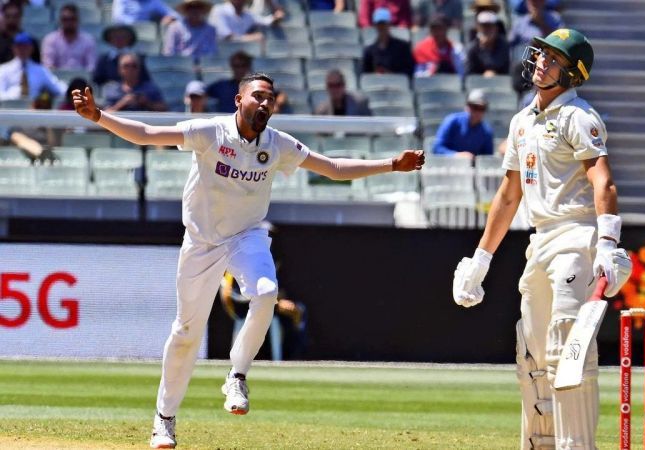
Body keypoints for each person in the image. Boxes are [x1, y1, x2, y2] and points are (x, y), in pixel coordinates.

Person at [71, 71, 425, 449]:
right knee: (185, 334)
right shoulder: (211, 132)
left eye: (270, 98)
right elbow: (147, 134)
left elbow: (332, 168)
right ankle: (164, 420)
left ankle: (236, 375)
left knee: (267, 293)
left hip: (246, 236)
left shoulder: (278, 144)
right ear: (238, 100)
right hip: (202, 241)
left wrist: (391, 164)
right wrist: (99, 117)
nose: (265, 103)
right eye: (257, 96)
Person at [450, 29, 631, 449]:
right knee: (530, 352)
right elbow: (509, 194)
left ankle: (576, 446)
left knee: (566, 345)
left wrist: (607, 243)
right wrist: (481, 260)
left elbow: (603, 182)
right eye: (541, 54)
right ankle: (539, 444)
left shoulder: (579, 117)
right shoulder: (521, 121)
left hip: (577, 235)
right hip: (541, 239)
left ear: (571, 74)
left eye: (553, 58)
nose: (541, 62)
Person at [0, 32, 66, 102]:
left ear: (31, 48)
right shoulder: (4, 69)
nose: (22, 50)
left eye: (25, 46)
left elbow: (57, 88)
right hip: (8, 109)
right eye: (19, 46)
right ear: (13, 48)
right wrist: (14, 96)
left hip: (32, 109)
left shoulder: (40, 70)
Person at [433, 89, 493, 159]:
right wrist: (456, 155)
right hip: (448, 166)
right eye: (475, 107)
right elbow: (437, 148)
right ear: (467, 106)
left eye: (482, 108)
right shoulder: (452, 121)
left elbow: (487, 158)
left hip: (472, 168)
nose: (478, 112)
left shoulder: (486, 131)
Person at [103, 52, 167, 112]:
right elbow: (106, 114)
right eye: (126, 66)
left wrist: (147, 103)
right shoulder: (112, 90)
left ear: (139, 69)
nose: (130, 70)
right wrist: (122, 103)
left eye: (134, 66)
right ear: (119, 69)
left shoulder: (150, 89)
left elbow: (164, 109)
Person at [41, 4, 97, 71]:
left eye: (72, 19)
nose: (69, 22)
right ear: (60, 20)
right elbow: (48, 66)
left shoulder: (88, 40)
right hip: (56, 80)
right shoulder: (50, 40)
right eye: (65, 19)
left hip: (81, 79)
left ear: (78, 20)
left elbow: (91, 66)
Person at [361, 8, 414, 78]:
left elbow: (410, 70)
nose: (381, 27)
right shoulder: (369, 51)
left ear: (389, 24)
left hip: (398, 85)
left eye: (384, 24)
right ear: (375, 26)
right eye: (379, 24)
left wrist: (391, 74)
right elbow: (366, 74)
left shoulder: (403, 47)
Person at [465, 11, 510, 76]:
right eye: (483, 26)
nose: (486, 30)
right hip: (477, 85)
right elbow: (469, 75)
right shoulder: (472, 50)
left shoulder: (504, 47)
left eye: (490, 26)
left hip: (501, 84)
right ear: (478, 28)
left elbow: (506, 72)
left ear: (496, 28)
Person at [112, 0, 179, 25]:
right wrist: (139, 25)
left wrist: (170, 18)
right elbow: (118, 17)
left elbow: (174, 14)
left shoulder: (154, 1)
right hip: (126, 34)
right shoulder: (121, 0)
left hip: (149, 36)